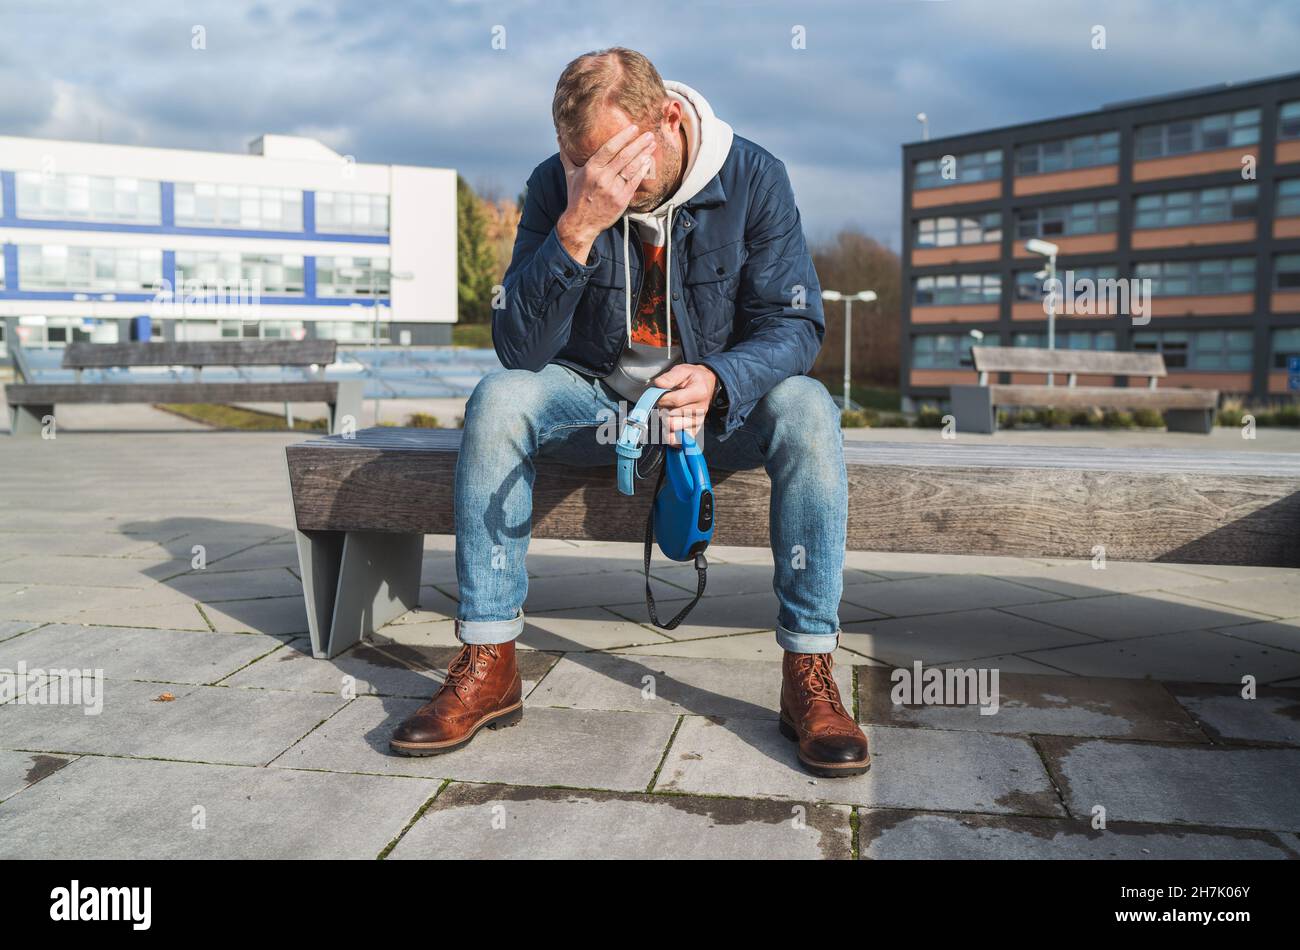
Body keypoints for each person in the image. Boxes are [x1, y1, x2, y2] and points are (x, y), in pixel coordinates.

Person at [390, 47, 868, 777]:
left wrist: (718, 375)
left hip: (715, 414)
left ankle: (809, 672)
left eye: (612, 163)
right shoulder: (560, 188)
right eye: (577, 164)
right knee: (500, 399)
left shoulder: (754, 177)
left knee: (807, 406)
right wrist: (576, 230)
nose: (597, 181)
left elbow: (795, 325)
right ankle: (490, 657)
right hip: (596, 403)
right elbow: (519, 348)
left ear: (667, 120)